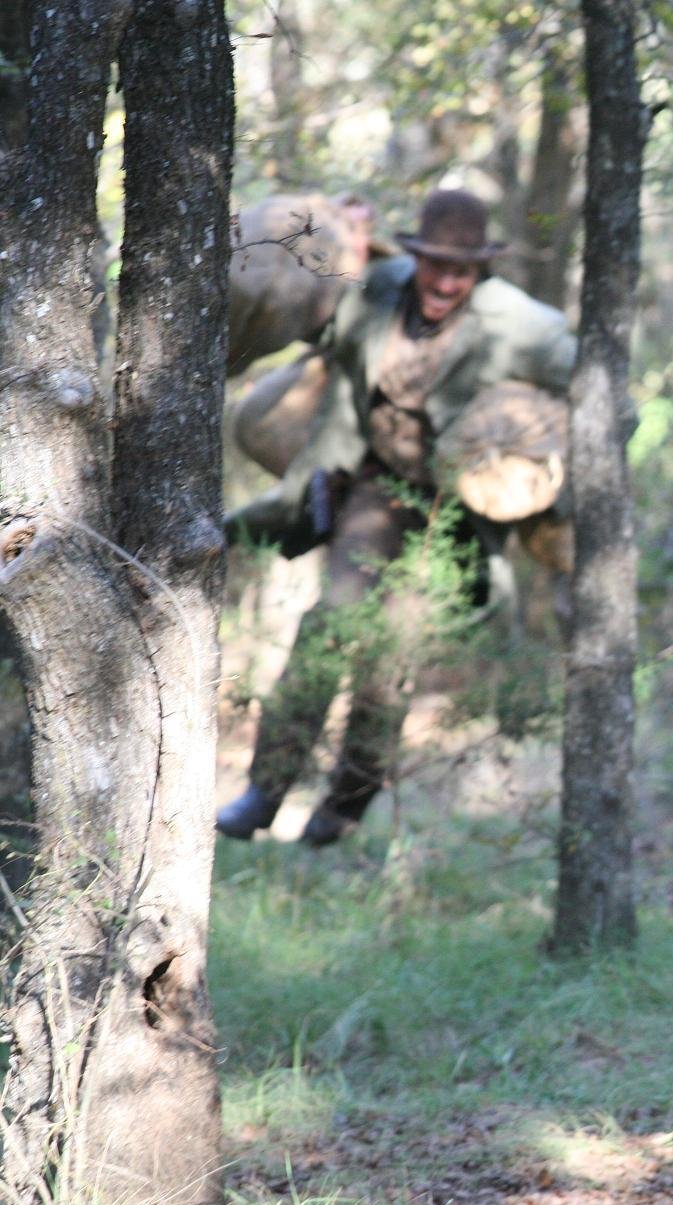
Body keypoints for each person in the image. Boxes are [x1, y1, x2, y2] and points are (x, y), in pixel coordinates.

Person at [219, 189, 576, 845]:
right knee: (329, 625)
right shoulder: (378, 288)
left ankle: (344, 808)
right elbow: (318, 321)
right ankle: (263, 793)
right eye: (434, 265)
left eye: (460, 270)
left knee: (392, 656)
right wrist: (340, 238)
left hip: (452, 511)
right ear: (415, 258)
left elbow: (603, 398)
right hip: (375, 488)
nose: (445, 281)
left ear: (481, 270)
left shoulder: (525, 327)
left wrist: (548, 468)